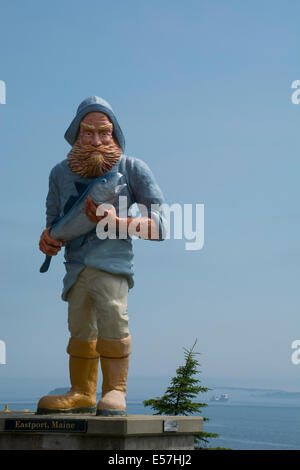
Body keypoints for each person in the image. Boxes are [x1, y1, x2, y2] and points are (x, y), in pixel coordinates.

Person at [37, 96, 166, 416]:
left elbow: (161, 226)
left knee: (113, 318)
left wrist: (114, 222)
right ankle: (81, 391)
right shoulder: (59, 173)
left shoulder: (133, 169)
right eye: (88, 133)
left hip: (113, 266)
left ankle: (114, 390)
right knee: (79, 326)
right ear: (76, 134)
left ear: (115, 134)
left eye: (104, 133)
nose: (96, 141)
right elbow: (52, 222)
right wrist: (47, 240)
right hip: (75, 267)